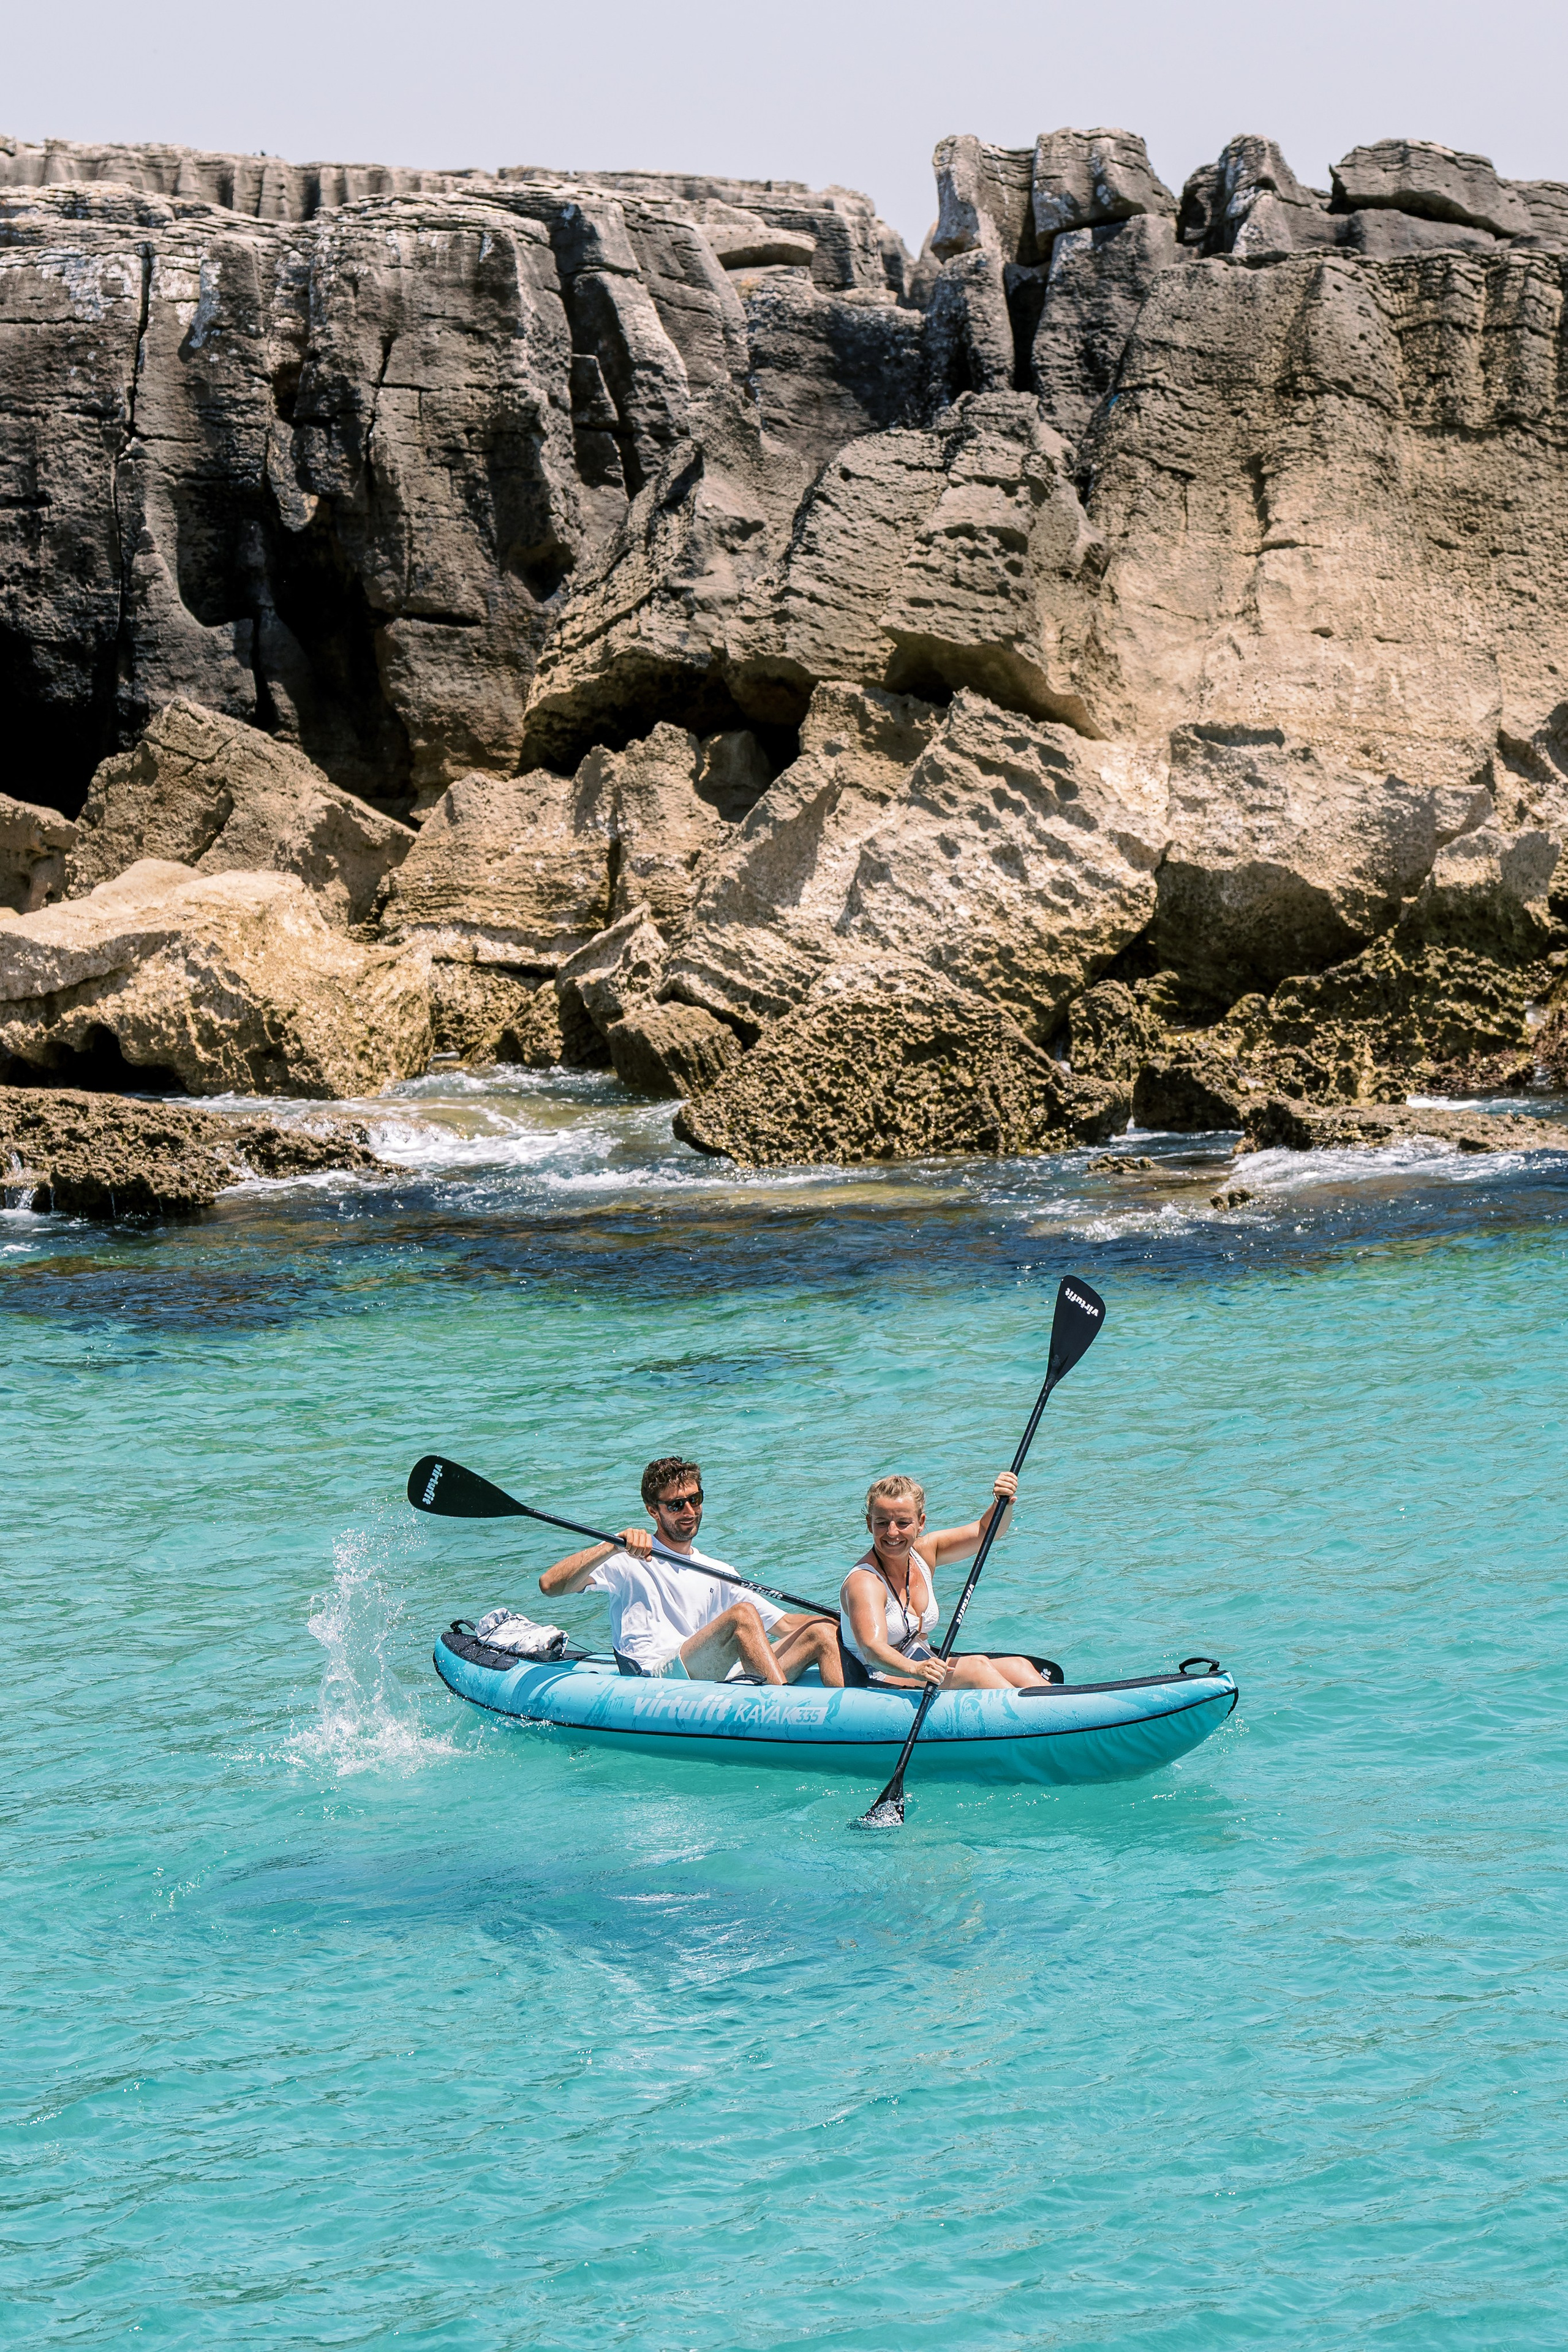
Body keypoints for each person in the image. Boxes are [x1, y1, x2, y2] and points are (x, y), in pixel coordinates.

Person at [540, 1455, 844, 1686]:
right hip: (655, 1677)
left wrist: (851, 1626)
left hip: (703, 1671)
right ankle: (783, 1713)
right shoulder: (627, 1557)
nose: (689, 1511)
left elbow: (788, 1624)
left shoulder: (719, 1570)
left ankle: (848, 1719)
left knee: (822, 1630)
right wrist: (611, 1545)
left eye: (695, 1500)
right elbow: (551, 1585)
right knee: (742, 1616)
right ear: (652, 1510)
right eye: (676, 1505)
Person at [840, 1471, 1040, 1689]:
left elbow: (985, 1531)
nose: (892, 1532)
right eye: (882, 1523)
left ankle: (1062, 1706)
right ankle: (1043, 1719)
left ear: (921, 1523)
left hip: (922, 1662)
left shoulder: (925, 1552)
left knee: (1020, 1667)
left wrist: (1003, 1502)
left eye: (903, 1522)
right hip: (879, 1677)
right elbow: (872, 1649)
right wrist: (915, 1670)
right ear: (870, 1524)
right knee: (977, 1668)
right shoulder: (865, 1582)